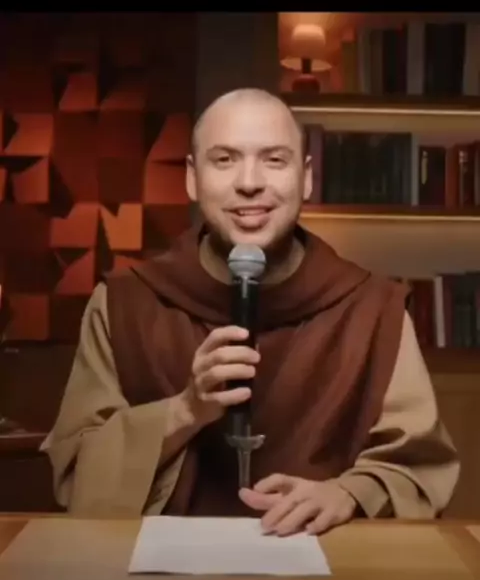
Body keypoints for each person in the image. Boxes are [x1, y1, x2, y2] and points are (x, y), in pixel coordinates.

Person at [41, 88, 460, 535]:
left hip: (327, 563)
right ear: (192, 177)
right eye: (224, 160)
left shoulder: (373, 309)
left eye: (274, 160)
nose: (249, 182)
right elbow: (76, 478)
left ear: (306, 178)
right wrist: (184, 411)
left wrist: (349, 493)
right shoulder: (123, 304)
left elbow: (418, 470)